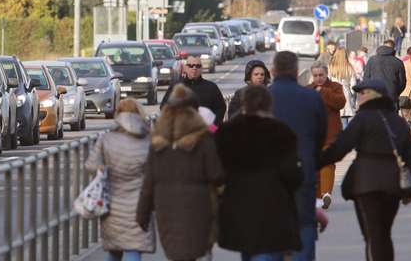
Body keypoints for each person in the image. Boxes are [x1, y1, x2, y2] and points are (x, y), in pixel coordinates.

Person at [319, 79, 411, 261]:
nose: (358, 97)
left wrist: (314, 163)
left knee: (373, 234)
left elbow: (340, 148)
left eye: (362, 93)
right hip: (392, 184)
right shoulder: (397, 121)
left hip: (365, 183)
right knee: (384, 233)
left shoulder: (362, 119)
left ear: (372, 96)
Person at [138, 84, 224, 261]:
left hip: (165, 205)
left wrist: (142, 213)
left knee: (175, 251)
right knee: (196, 250)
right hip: (199, 204)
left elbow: (149, 182)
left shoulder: (158, 144)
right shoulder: (203, 139)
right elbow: (216, 174)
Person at [216, 85, 302, 261]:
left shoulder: (228, 131)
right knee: (267, 250)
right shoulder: (281, 132)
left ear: (244, 104)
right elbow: (293, 174)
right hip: (274, 203)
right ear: (269, 104)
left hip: (238, 202)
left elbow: (218, 172)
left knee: (248, 250)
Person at [268, 51, 327, 261]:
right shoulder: (311, 97)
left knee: (271, 228)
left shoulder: (264, 97)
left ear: (273, 70)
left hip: (270, 176)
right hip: (303, 171)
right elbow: (321, 135)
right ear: (296, 71)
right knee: (304, 223)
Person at [85, 98, 155, 260]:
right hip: (140, 204)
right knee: (133, 249)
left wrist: (103, 169)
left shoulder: (107, 139)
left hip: (112, 202)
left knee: (114, 250)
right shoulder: (149, 140)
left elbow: (91, 165)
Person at [308, 62, 346, 210]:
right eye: (316, 75)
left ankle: (326, 193)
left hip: (331, 132)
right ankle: (318, 198)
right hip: (312, 134)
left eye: (321, 75)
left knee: (328, 163)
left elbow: (340, 103)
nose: (318, 78)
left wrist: (323, 91)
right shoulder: (307, 90)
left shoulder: (335, 87)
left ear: (326, 74)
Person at [161, 55, 227, 123]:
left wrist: (213, 128)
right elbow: (164, 107)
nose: (194, 68)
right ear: (185, 68)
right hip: (182, 131)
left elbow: (221, 109)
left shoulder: (211, 87)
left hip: (206, 131)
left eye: (197, 66)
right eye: (191, 66)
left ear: (201, 69)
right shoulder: (175, 87)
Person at [363, 40, 407, 111]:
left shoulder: (372, 60)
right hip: (391, 97)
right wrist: (395, 92)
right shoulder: (398, 62)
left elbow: (366, 79)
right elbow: (402, 83)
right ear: (393, 48)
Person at [328, 47, 356, 125]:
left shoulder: (331, 67)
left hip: (335, 94)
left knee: (339, 120)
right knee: (348, 119)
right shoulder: (349, 67)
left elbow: (328, 82)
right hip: (346, 94)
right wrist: (352, 95)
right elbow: (353, 84)